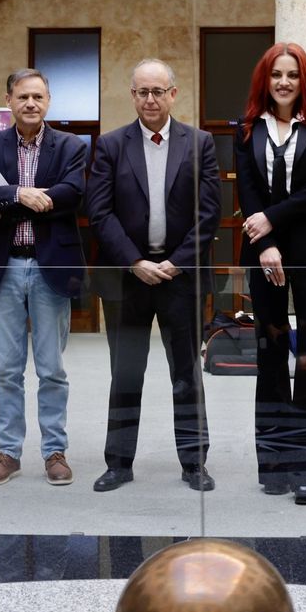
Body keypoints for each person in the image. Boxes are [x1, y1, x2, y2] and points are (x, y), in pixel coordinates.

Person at [85, 58, 221, 492]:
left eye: (158, 91)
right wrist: (135, 262)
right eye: (142, 91)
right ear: (132, 96)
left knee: (186, 373)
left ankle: (194, 463)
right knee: (126, 373)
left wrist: (175, 262)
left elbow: (210, 212)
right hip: (128, 279)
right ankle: (119, 463)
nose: (150, 99)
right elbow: (99, 212)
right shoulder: (110, 145)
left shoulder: (199, 143)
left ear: (173, 94)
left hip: (179, 277)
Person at [0, 69, 89, 487]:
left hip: (50, 267)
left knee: (51, 369)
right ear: (8, 101)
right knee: (7, 370)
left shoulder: (70, 146)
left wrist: (19, 202)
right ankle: (8, 453)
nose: (30, 104)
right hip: (6, 266)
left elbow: (74, 194)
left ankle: (55, 452)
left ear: (48, 100)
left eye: (38, 97)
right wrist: (17, 193)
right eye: (22, 97)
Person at [235, 42, 306, 505]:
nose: (284, 82)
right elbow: (250, 188)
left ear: (305, 81)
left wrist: (272, 221)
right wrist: (266, 243)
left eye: (293, 75)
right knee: (271, 349)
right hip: (264, 252)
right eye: (277, 74)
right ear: (265, 79)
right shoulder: (246, 128)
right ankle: (276, 464)